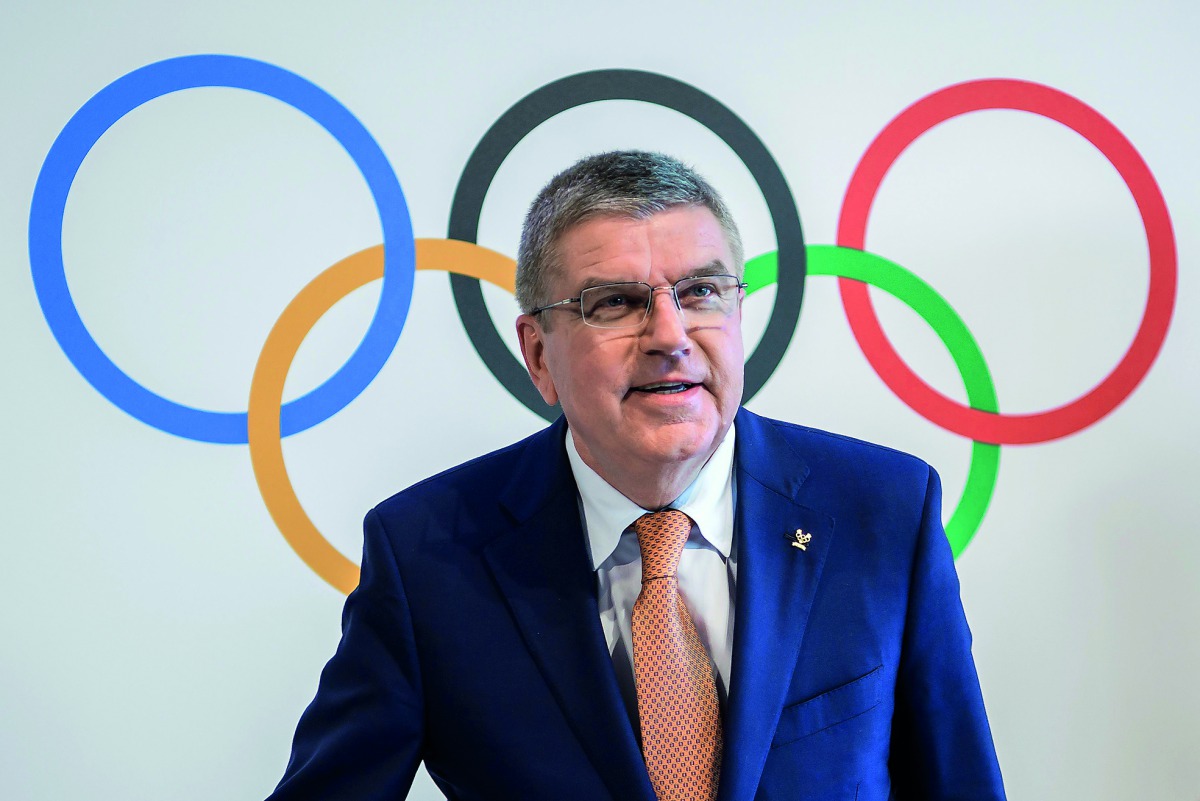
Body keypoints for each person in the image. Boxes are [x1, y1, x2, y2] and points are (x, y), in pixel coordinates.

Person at [268, 150, 1006, 800]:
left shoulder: (885, 511)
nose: (670, 336)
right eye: (615, 303)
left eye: (702, 292)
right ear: (537, 355)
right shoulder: (426, 555)